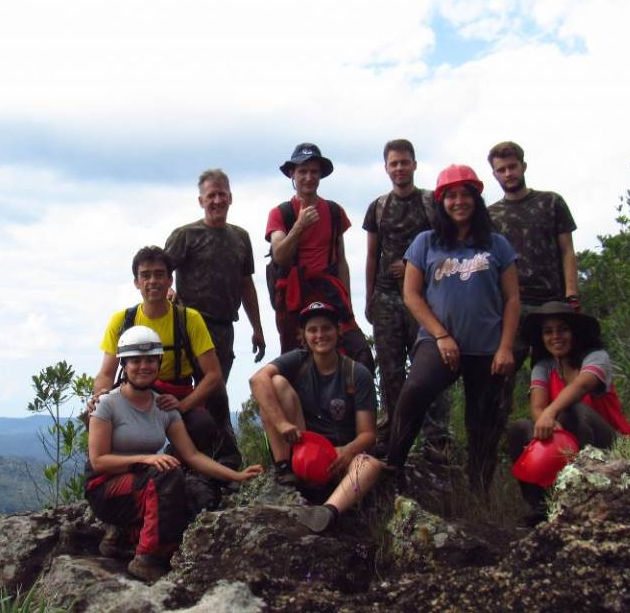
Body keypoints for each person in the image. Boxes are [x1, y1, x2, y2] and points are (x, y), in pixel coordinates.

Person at [87, 326, 263, 581]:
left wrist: (236, 476)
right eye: (135, 360)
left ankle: (125, 537)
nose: (144, 366)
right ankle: (148, 559)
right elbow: (99, 462)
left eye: (150, 360)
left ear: (159, 363)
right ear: (123, 365)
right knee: (167, 475)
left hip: (140, 483)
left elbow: (192, 455)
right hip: (105, 488)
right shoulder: (107, 404)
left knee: (196, 492)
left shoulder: (163, 405)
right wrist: (145, 459)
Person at [385, 164, 520, 496]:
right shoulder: (426, 242)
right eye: (451, 196)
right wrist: (441, 335)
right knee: (414, 392)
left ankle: (478, 494)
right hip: (437, 341)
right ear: (441, 202)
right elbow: (411, 295)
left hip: (487, 346)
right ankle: (391, 471)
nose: (459, 202)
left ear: (476, 199)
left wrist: (506, 347)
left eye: (465, 195)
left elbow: (513, 298)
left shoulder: (497, 244)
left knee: (484, 420)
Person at [249, 302, 383, 533]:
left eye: (326, 328)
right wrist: (282, 424)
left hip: (337, 458)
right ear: (303, 335)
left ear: (338, 331)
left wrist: (348, 450)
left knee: (369, 465)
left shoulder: (357, 374)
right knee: (275, 383)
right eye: (313, 330)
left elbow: (368, 433)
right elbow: (257, 380)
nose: (320, 335)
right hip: (303, 451)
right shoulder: (299, 361)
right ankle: (284, 470)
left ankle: (327, 512)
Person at [93, 246, 233, 464]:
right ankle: (117, 470)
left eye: (159, 274)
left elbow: (213, 374)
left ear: (170, 280)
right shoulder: (122, 320)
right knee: (97, 416)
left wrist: (183, 405)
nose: (153, 281)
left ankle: (178, 465)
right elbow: (106, 373)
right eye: (145, 275)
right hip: (134, 393)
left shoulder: (189, 319)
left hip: (177, 393)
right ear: (136, 282)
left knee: (202, 425)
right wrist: (100, 397)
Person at [507, 302, 630, 523]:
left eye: (563, 329)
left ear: (575, 332)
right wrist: (547, 421)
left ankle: (582, 501)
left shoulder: (596, 357)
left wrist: (551, 413)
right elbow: (537, 406)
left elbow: (581, 386)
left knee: (573, 411)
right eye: (548, 332)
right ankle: (542, 508)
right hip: (568, 442)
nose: (555, 337)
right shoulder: (544, 366)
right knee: (521, 429)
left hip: (614, 449)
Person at [362, 139, 451, 461]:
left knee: (430, 367)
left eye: (404, 162)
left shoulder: (431, 203)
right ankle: (395, 436)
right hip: (386, 297)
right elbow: (372, 255)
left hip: (426, 299)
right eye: (393, 163)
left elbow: (445, 247)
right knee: (390, 371)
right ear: (386, 168)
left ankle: (437, 438)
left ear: (414, 164)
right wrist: (370, 297)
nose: (399, 168)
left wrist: (415, 267)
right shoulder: (378, 207)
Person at [165, 168, 266, 445]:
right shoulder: (185, 235)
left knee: (215, 395)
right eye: (211, 196)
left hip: (223, 328)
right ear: (201, 201)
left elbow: (246, 284)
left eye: (222, 194)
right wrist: (169, 290)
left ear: (231, 197)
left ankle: (213, 453)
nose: (217, 200)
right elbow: (160, 270)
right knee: (199, 393)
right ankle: (203, 453)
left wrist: (257, 328)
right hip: (188, 327)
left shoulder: (240, 237)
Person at [487, 141, 579, 422]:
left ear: (523, 166)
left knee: (558, 376)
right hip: (511, 308)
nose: (508, 174)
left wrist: (572, 295)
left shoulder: (551, 202)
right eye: (501, 169)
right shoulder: (490, 216)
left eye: (512, 167)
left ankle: (567, 438)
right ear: (494, 174)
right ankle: (495, 441)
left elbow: (567, 250)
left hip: (552, 303)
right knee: (499, 379)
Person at [265, 142, 372, 369]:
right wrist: (299, 226)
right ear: (292, 174)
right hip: (295, 299)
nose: (308, 177)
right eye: (303, 171)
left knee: (360, 355)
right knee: (296, 364)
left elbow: (341, 260)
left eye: (314, 172)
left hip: (330, 293)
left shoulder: (334, 211)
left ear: (321, 175)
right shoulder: (281, 213)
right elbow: (280, 256)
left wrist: (348, 306)